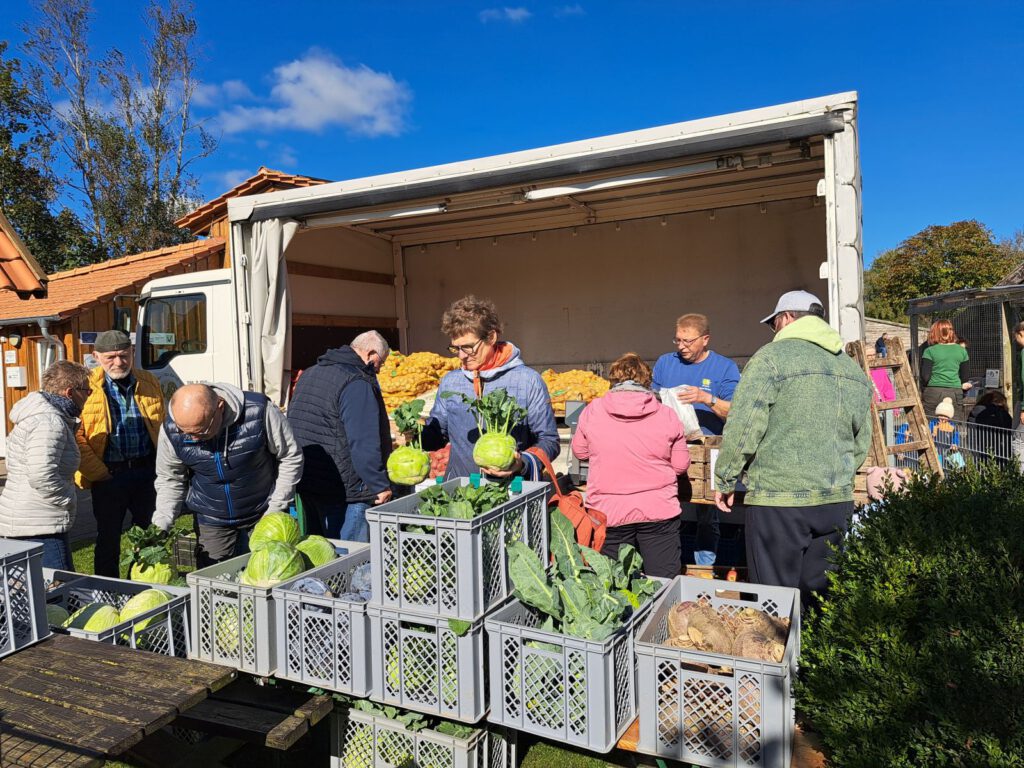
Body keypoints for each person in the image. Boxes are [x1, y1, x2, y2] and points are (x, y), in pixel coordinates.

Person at [713, 290, 872, 610]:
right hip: (835, 503)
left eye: (774, 324)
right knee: (819, 603)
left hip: (778, 501)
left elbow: (744, 426)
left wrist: (726, 478)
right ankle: (811, 660)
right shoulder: (852, 370)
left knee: (773, 608)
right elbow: (861, 443)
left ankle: (778, 661)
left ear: (786, 318)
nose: (774, 331)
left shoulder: (771, 359)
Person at [153, 383, 304, 565]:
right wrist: (162, 523)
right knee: (215, 583)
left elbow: (290, 456)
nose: (192, 439)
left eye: (201, 431)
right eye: (185, 432)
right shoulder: (171, 429)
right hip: (211, 519)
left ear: (220, 406)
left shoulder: (259, 412)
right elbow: (170, 478)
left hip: (263, 512)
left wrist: (276, 509)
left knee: (267, 575)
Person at [571, 353, 689, 577]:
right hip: (658, 511)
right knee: (662, 582)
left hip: (608, 512)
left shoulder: (592, 411)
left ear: (613, 380)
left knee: (613, 583)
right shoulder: (667, 414)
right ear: (647, 381)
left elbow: (580, 452)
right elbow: (681, 465)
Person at [420, 295, 559, 480]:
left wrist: (522, 463)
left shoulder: (528, 382)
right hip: (461, 491)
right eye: (456, 348)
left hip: (512, 492)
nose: (461, 356)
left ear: (491, 337)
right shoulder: (451, 382)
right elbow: (436, 437)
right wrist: (416, 434)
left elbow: (549, 441)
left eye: (468, 347)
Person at [651, 313, 740, 566]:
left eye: (688, 341)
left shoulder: (724, 368)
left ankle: (704, 568)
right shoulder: (665, 363)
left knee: (707, 513)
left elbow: (735, 411)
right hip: (666, 449)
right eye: (678, 340)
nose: (681, 347)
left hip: (706, 452)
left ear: (705, 340)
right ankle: (667, 566)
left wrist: (706, 398)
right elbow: (653, 399)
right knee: (665, 510)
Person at [287, 331, 393, 542]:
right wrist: (378, 484)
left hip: (309, 481)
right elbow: (363, 441)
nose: (379, 369)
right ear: (370, 353)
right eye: (380, 362)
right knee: (351, 559)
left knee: (321, 556)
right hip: (346, 490)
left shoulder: (310, 373)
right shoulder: (356, 382)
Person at [76, 330, 165, 576]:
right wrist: (99, 473)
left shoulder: (149, 381)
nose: (118, 363)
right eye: (111, 357)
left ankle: (147, 585)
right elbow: (77, 436)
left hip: (146, 472)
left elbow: (162, 425)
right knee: (108, 537)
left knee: (149, 534)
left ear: (132, 352)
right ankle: (107, 588)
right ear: (96, 356)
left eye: (124, 356)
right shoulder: (86, 386)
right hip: (108, 475)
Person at [0, 361, 92, 569]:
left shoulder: (48, 417)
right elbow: (41, 474)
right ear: (70, 392)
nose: (89, 396)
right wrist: (66, 498)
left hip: (31, 519)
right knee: (56, 592)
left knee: (36, 594)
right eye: (87, 390)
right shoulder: (49, 423)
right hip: (39, 524)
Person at [920, 319, 969, 422]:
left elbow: (925, 376)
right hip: (955, 392)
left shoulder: (929, 351)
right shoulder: (962, 351)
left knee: (931, 425)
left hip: (934, 392)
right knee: (952, 425)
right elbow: (965, 377)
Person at [930, 397, 964, 470]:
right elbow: (928, 432)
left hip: (948, 448)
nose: (942, 417)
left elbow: (955, 436)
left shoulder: (952, 426)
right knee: (938, 466)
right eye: (940, 415)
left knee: (955, 465)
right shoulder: (933, 423)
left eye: (945, 416)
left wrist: (955, 443)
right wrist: (931, 435)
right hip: (937, 448)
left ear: (949, 417)